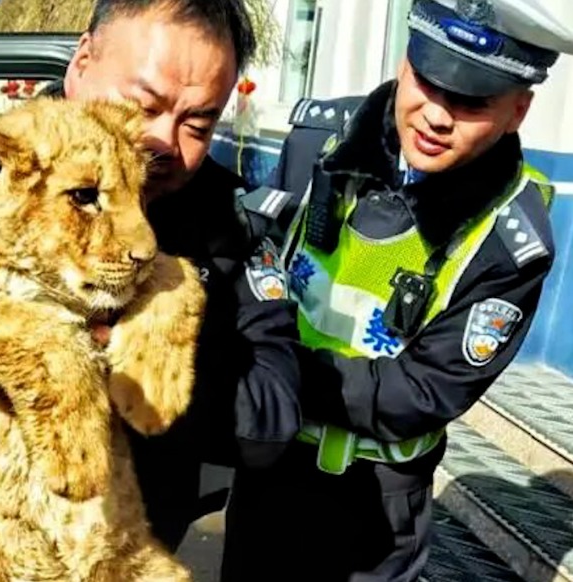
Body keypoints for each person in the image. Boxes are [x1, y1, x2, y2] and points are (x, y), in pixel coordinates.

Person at [0, 0, 303, 567]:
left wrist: (134, 352)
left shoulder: (228, 220)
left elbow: (273, 416)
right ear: (83, 61)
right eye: (143, 105)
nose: (160, 142)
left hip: (118, 552)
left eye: (198, 122)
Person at [222, 0, 573, 580]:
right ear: (404, 60)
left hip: (376, 511)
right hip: (268, 471)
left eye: (470, 102)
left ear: (519, 110)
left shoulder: (511, 239)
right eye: (427, 82)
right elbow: (260, 273)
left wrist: (271, 367)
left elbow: (419, 395)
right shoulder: (317, 142)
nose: (437, 115)